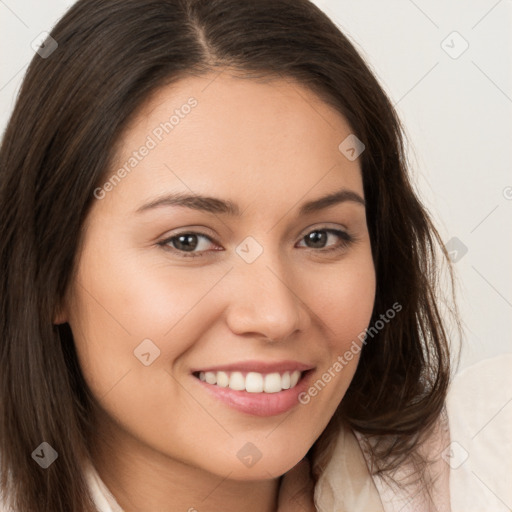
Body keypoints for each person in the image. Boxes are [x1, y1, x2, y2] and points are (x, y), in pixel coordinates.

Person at [0, 0, 458, 510]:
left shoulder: (481, 466)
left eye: (320, 237)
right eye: (188, 241)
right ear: (48, 273)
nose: (275, 316)